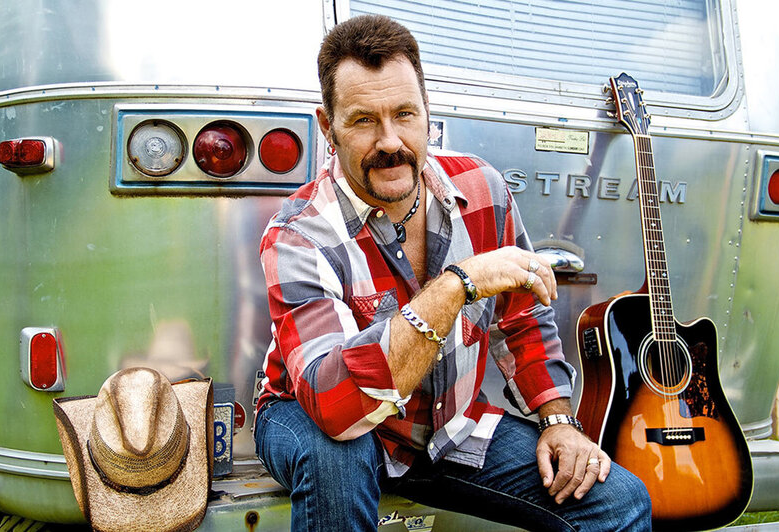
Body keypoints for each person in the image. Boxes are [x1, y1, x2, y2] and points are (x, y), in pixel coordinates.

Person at [254, 14, 652, 532]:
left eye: (404, 114)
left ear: (427, 113)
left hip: (447, 425)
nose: (390, 141)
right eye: (363, 121)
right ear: (327, 127)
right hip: (314, 417)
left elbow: (523, 319)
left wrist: (558, 420)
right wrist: (456, 285)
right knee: (337, 458)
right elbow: (337, 406)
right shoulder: (298, 234)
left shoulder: (483, 189)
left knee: (621, 503)